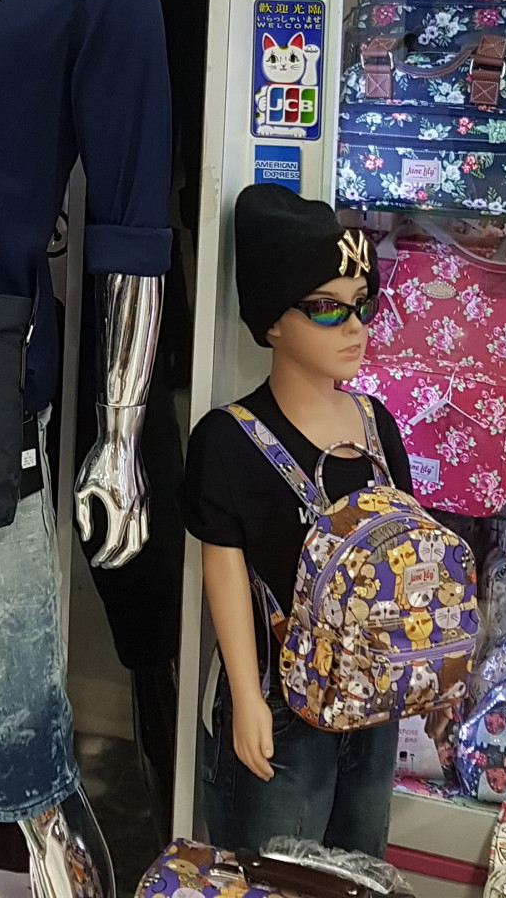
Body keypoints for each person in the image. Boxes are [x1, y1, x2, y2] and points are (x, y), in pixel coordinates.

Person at [182, 184, 412, 857]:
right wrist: (247, 698)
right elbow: (224, 572)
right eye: (327, 309)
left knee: (357, 871)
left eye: (362, 304)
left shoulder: (377, 424)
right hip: (279, 705)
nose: (354, 327)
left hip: (375, 702)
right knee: (271, 874)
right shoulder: (227, 441)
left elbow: (402, 561)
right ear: (272, 323)